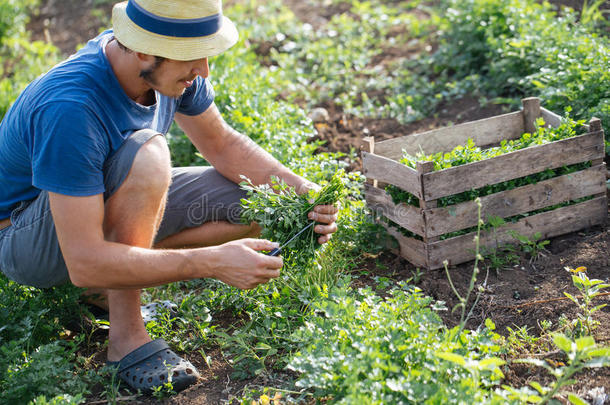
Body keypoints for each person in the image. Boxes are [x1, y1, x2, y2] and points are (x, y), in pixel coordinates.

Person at [0, 0, 338, 393]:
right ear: (143, 49)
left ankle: (107, 289)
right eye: (192, 57)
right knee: (148, 155)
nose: (204, 71)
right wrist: (212, 262)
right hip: (26, 238)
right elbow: (85, 261)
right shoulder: (70, 106)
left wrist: (302, 193)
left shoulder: (167, 71)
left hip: (98, 208)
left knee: (257, 203)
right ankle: (126, 338)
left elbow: (224, 146)